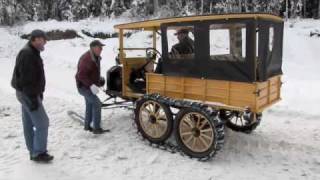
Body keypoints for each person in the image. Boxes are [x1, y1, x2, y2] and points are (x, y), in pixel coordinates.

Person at [11, 29, 54, 162]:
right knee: (42, 123)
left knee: (29, 122)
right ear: (34, 39)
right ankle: (39, 153)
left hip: (25, 93)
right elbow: (27, 79)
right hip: (27, 94)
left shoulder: (31, 52)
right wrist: (33, 99)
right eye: (43, 39)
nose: (45, 42)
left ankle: (33, 151)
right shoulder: (28, 54)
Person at [75, 40, 109, 134]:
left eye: (101, 47)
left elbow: (92, 72)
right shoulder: (87, 59)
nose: (101, 49)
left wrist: (98, 81)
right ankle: (96, 128)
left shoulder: (95, 57)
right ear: (93, 48)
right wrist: (91, 85)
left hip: (88, 86)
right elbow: (81, 75)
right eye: (99, 47)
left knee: (90, 105)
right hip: (84, 87)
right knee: (97, 103)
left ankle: (87, 126)